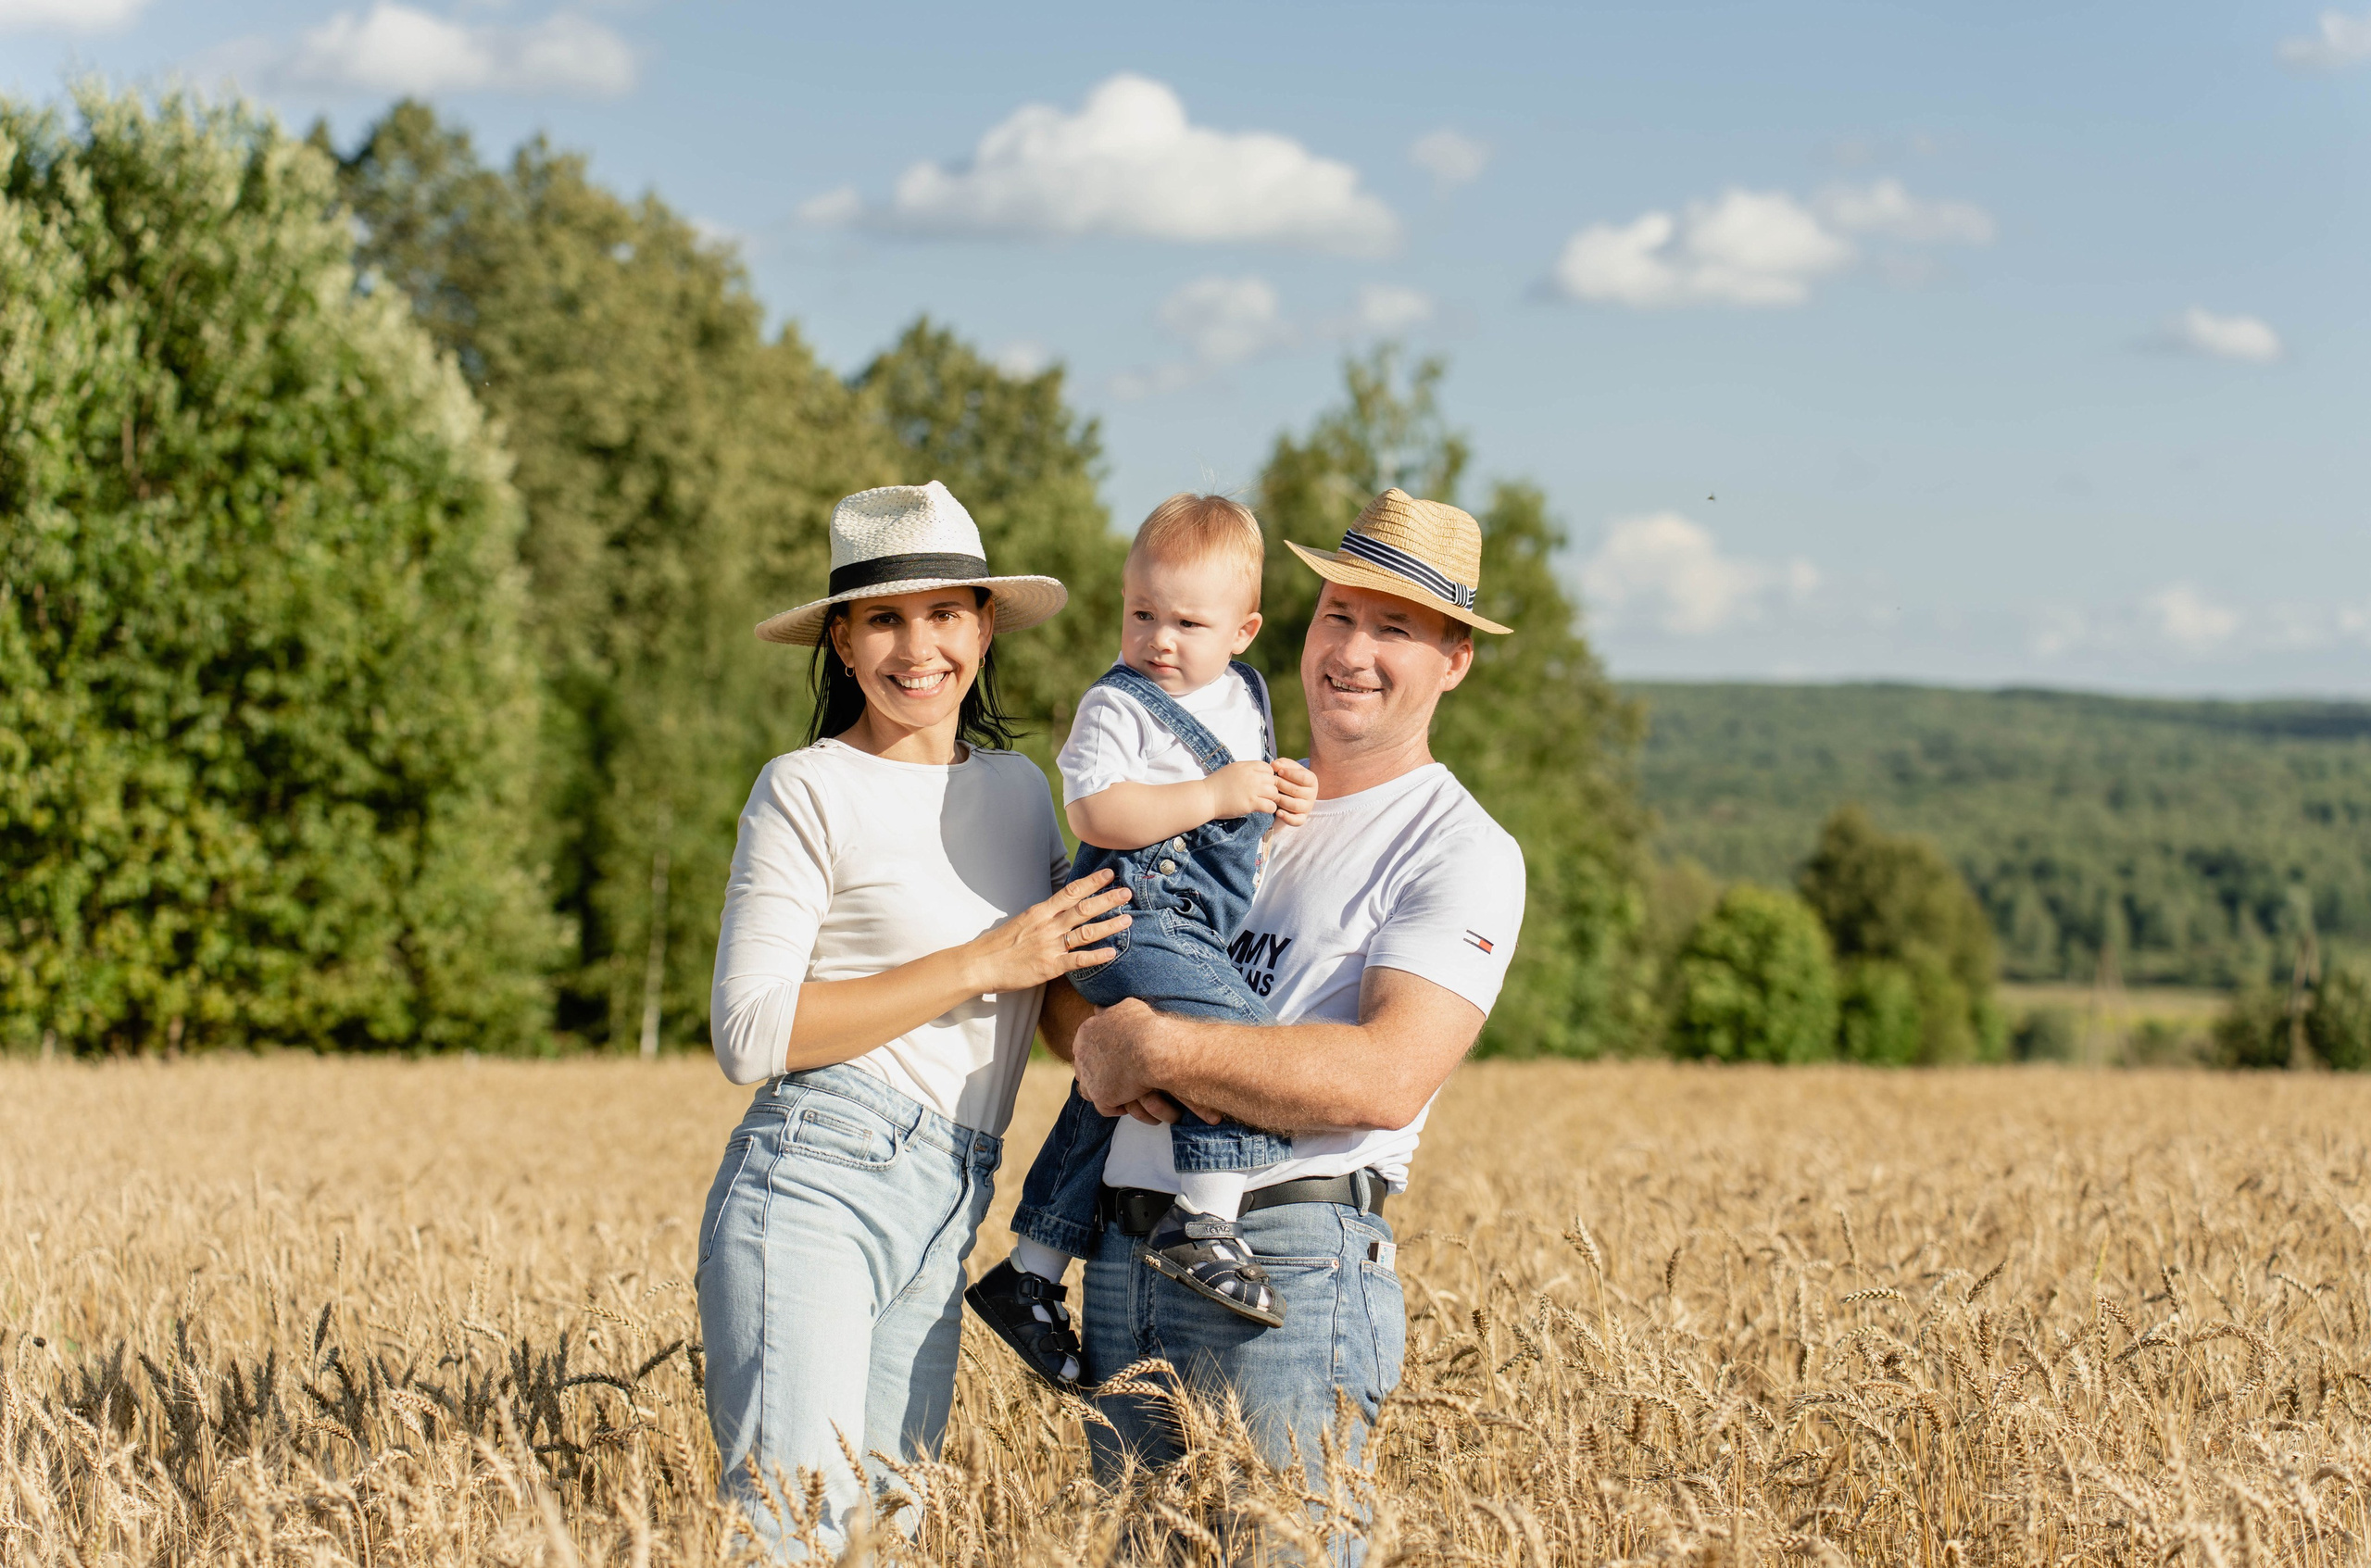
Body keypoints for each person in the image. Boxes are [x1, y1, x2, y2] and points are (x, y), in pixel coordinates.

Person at [1065, 487, 1529, 1556]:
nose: (1354, 651)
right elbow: (1083, 1004)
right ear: (1294, 628)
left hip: (1287, 1263)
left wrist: (1157, 1047)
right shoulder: (1224, 796)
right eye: (1338, 616)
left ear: (1453, 659)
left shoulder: (1456, 847)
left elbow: (1385, 1075)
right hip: (1126, 1257)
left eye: (1396, 629)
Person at [696, 481, 1135, 1556]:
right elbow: (748, 1031)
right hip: (818, 1185)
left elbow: (1047, 996)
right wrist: (985, 957)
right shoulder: (805, 788)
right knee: (793, 1532)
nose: (917, 647)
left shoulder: (1026, 791)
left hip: (954, 1197)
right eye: (884, 618)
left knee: (888, 1536)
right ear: (840, 641)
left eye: (945, 614)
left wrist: (1150, 1053)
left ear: (984, 626)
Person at [966, 495, 1320, 1388]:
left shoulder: (1242, 699)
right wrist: (1215, 797)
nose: (1160, 640)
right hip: (1132, 909)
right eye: (1141, 614)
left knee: (1115, 1087)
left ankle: (1034, 1271)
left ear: (1244, 630)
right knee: (1237, 1044)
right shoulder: (1117, 706)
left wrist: (1274, 807)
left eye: (1188, 623)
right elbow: (1097, 811)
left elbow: (1242, 835)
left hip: (1191, 916)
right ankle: (1201, 1219)